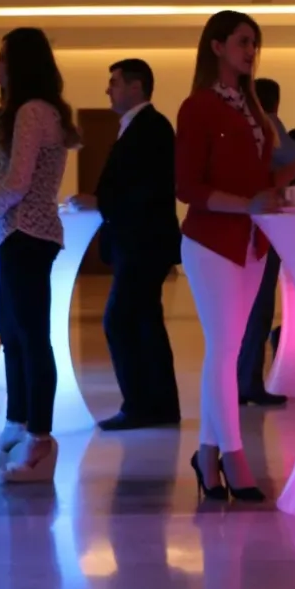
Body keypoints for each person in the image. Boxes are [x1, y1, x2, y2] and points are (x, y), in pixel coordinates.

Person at [176, 10, 295, 503]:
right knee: (225, 349)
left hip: (252, 243)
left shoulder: (253, 109)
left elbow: (258, 184)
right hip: (212, 242)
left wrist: (290, 178)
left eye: (254, 44)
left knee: (226, 349)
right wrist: (248, 204)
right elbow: (188, 187)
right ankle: (233, 455)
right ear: (217, 46)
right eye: (243, 42)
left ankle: (207, 456)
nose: (250, 52)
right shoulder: (197, 107)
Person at [0, 28, 82, 482]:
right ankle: (18, 423)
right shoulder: (42, 110)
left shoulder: (30, 111)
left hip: (25, 230)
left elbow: (18, 181)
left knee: (31, 337)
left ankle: (38, 439)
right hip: (21, 234)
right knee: (15, 333)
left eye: (3, 58)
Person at [84, 57, 183, 431]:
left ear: (136, 86)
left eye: (114, 82)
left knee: (120, 320)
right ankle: (159, 405)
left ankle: (140, 405)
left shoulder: (152, 127)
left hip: (144, 243)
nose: (108, 89)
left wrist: (100, 202)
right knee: (144, 321)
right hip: (142, 243)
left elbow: (148, 189)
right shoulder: (142, 126)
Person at [236, 77, 295, 407]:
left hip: (241, 227)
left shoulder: (242, 125)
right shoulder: (268, 125)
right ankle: (247, 382)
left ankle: (240, 381)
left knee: (245, 307)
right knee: (260, 305)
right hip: (261, 229)